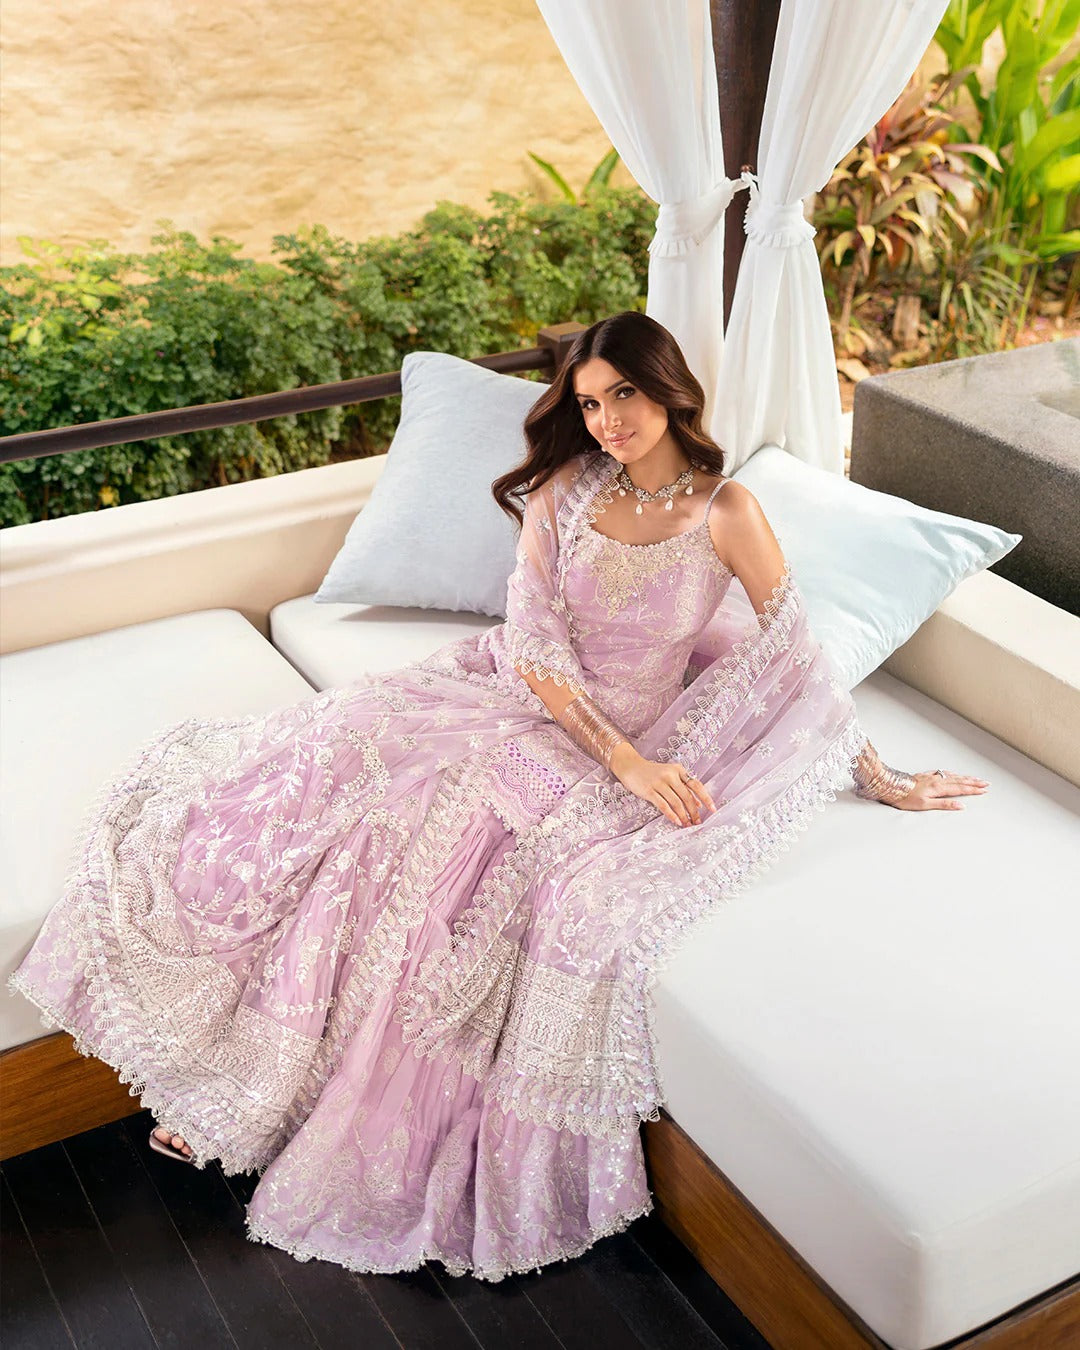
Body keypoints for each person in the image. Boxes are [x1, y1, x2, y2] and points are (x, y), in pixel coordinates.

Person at [11, 311, 988, 1280]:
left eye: (625, 395)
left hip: (615, 743)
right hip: (523, 700)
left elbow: (794, 655)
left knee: (434, 831)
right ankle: (244, 1079)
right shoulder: (567, 490)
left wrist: (876, 774)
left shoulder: (727, 512)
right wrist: (626, 764)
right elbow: (534, 650)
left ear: (670, 390)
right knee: (337, 771)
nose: (608, 421)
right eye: (590, 404)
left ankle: (274, 1097)